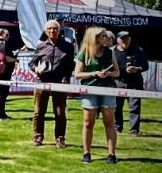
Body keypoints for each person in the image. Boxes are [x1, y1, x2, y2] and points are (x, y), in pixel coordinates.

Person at [72, 26, 120, 164]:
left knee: (109, 121)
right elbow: (77, 74)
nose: (107, 38)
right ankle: (86, 152)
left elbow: (117, 72)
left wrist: (108, 74)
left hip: (108, 89)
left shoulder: (109, 53)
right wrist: (94, 73)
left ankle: (111, 154)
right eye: (103, 36)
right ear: (95, 37)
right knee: (88, 122)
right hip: (90, 90)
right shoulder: (84, 53)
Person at [30, 19, 75, 147]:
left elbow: (70, 65)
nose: (52, 31)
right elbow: (32, 63)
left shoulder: (68, 46)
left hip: (59, 83)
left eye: (55, 28)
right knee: (39, 112)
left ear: (59, 30)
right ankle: (38, 137)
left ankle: (60, 138)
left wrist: (66, 79)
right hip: (41, 82)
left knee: (60, 112)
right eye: (49, 29)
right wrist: (36, 69)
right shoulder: (41, 46)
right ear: (46, 31)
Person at [112, 31, 147, 136]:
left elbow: (145, 66)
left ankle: (134, 130)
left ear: (130, 39)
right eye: (123, 39)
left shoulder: (137, 50)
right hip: (118, 82)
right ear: (118, 40)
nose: (125, 41)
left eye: (127, 39)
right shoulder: (112, 51)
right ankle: (117, 127)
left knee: (134, 107)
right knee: (117, 107)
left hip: (134, 83)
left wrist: (136, 69)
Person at [0, 27, 15, 121]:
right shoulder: (2, 44)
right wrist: (16, 59)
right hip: (3, 72)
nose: (8, 37)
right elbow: (6, 58)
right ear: (2, 35)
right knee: (3, 93)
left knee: (3, 93)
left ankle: (2, 112)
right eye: (7, 35)